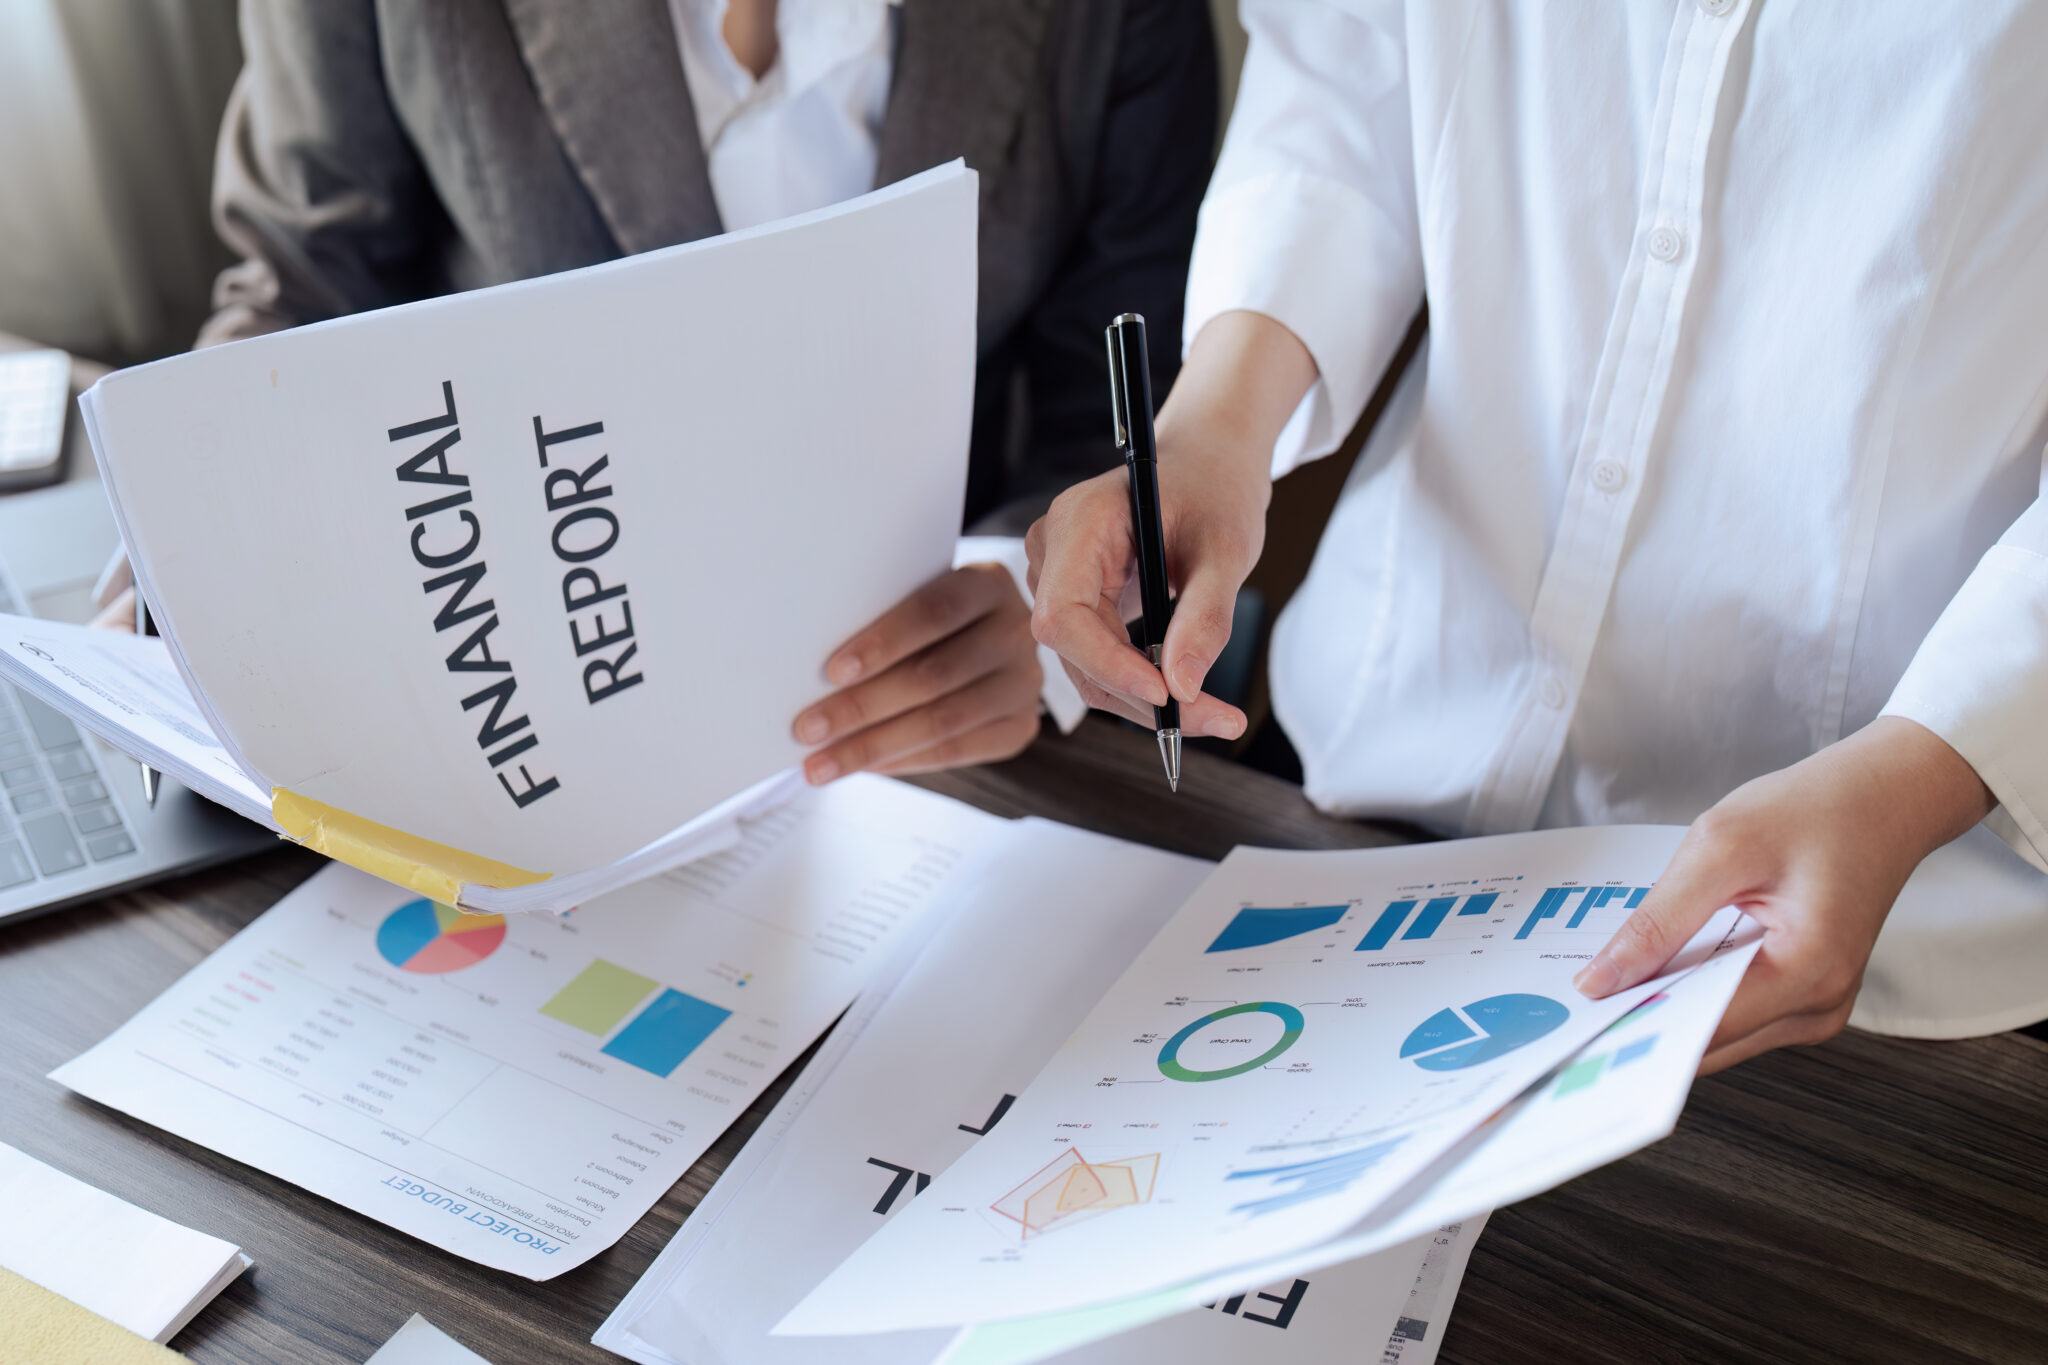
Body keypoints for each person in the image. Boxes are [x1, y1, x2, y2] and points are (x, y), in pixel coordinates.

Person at [1028, 2, 2048, 1068]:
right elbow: (1352, 72)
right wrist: (1214, 425)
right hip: (1365, 805)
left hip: (1883, 926)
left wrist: (1921, 771)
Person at [98, 0, 1216, 787]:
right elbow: (304, 291)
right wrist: (202, 533)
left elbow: (1121, 397)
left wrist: (1032, 624)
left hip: (920, 747)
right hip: (512, 712)